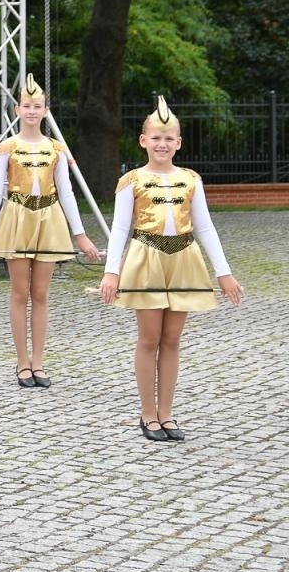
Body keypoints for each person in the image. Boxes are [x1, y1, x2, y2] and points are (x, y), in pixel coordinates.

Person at [100, 96, 242, 442]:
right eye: (156, 137)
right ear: (143, 140)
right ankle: (147, 414)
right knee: (149, 338)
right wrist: (111, 271)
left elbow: (205, 227)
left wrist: (223, 271)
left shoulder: (191, 179)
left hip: (184, 259)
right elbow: (120, 228)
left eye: (169, 138)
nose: (162, 144)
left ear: (178, 143)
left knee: (172, 339)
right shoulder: (131, 180)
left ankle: (167, 412)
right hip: (146, 258)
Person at [0, 74, 99, 388]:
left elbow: (66, 191)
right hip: (17, 217)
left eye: (38, 106)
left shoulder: (56, 148)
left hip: (48, 217)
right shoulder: (6, 147)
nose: (32, 110)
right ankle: (21, 362)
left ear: (46, 110)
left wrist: (80, 234)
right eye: (26, 105)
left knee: (41, 293)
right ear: (17, 109)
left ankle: (39, 361)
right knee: (20, 292)